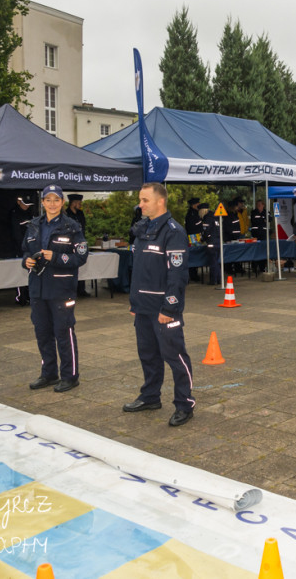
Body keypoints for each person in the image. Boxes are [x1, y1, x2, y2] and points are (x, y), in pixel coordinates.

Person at [125, 182, 195, 427]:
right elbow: (139, 271)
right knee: (148, 355)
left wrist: (169, 308)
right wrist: (135, 302)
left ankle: (185, 403)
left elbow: (177, 275)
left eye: (145, 200)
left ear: (160, 202)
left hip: (163, 310)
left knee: (175, 357)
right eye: (140, 200)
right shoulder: (143, 229)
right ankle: (150, 396)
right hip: (143, 308)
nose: (140, 204)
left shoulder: (173, 231)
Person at [21, 185, 88, 393]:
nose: (52, 204)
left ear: (62, 202)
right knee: (42, 333)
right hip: (38, 289)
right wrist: (26, 262)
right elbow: (25, 251)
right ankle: (49, 373)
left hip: (61, 289)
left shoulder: (72, 227)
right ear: (42, 203)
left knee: (63, 332)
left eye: (56, 200)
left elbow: (81, 256)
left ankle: (70, 376)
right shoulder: (32, 226)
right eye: (48, 200)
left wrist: (57, 257)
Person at [10, 194, 37, 306]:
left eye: (28, 205)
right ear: (19, 202)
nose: (26, 207)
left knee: (32, 273)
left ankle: (31, 296)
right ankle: (21, 297)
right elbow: (16, 234)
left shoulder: (31, 213)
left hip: (32, 249)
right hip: (20, 249)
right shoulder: (14, 214)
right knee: (21, 274)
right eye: (25, 204)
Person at [66, 194, 90, 297]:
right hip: (69, 243)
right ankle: (71, 290)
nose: (80, 205)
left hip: (80, 243)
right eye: (78, 203)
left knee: (81, 266)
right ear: (73, 203)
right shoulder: (66, 214)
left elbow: (83, 227)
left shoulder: (80, 213)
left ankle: (81, 289)